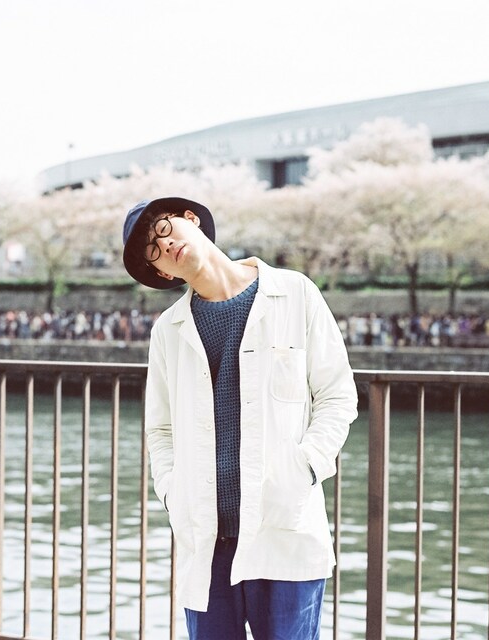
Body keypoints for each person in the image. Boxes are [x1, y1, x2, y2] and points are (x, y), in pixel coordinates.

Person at [122, 197, 358, 640]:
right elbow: (161, 428)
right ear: (162, 273)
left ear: (191, 219)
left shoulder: (294, 292)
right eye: (152, 250)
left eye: (164, 228)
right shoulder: (168, 331)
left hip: (283, 527)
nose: (164, 244)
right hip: (206, 539)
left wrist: (305, 467)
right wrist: (173, 492)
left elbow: (336, 395)